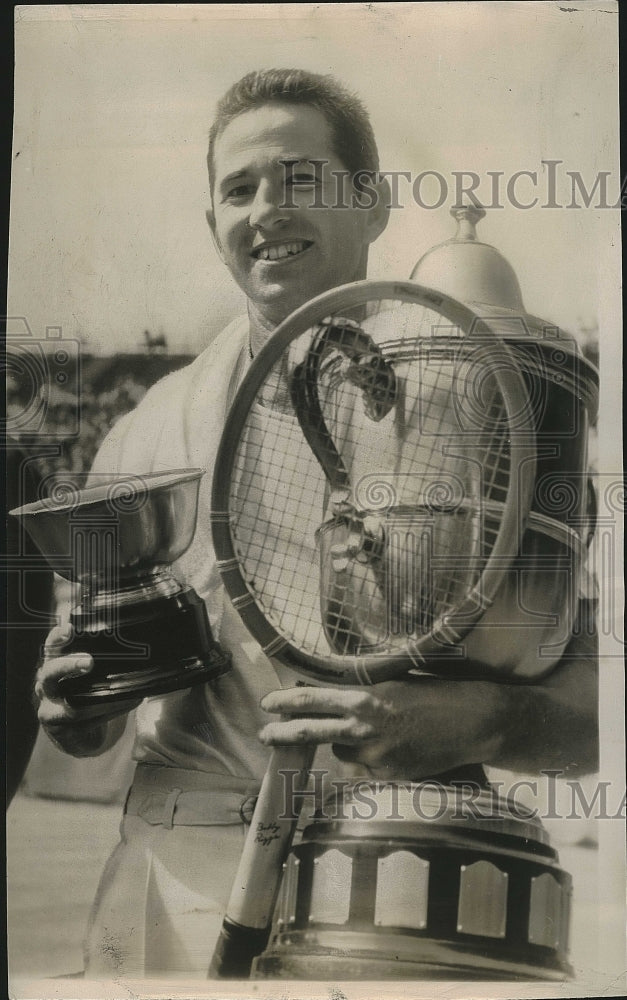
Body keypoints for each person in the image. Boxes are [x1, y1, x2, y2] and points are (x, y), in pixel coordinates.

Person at [34, 69, 598, 978]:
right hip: (176, 881)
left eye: (301, 179)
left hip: (401, 881)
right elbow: (93, 737)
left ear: (371, 205)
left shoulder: (484, 400)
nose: (266, 210)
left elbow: (589, 714)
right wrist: (76, 713)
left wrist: (482, 723)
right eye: (238, 188)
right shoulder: (143, 437)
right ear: (209, 220)